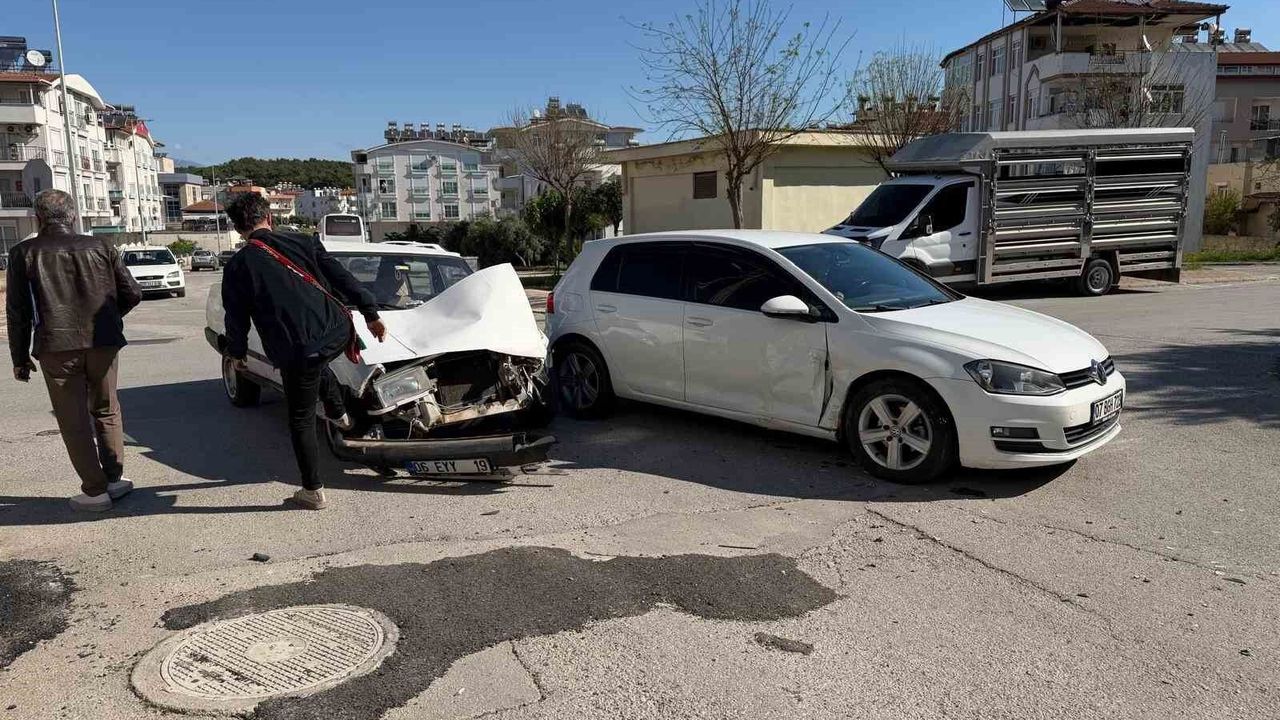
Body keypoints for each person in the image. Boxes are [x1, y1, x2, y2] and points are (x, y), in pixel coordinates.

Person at [221, 192, 386, 510]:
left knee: (301, 419)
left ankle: (313, 491)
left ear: (238, 229)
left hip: (296, 349)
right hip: (335, 333)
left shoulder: (238, 266)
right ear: (269, 217)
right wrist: (371, 313)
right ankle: (338, 412)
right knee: (317, 365)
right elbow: (342, 278)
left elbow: (236, 317)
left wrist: (237, 353)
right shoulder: (304, 242)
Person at [6, 189, 142, 512]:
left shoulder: (23, 253)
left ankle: (94, 491)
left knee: (73, 418)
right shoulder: (101, 246)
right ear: (74, 216)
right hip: (104, 342)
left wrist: (20, 358)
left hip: (56, 345)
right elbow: (132, 293)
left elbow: (18, 312)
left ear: (37, 218)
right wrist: (109, 320)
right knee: (107, 409)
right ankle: (113, 479)